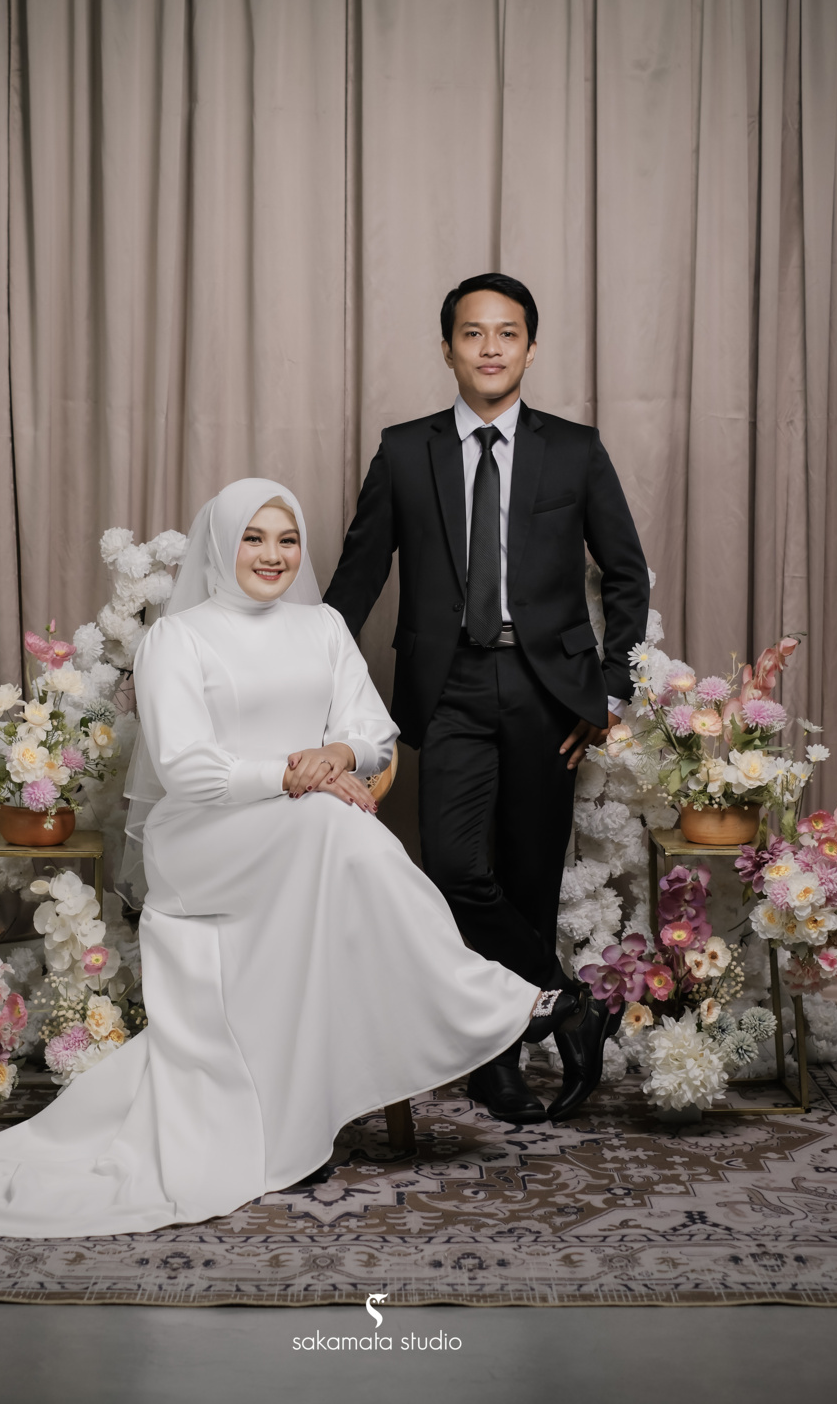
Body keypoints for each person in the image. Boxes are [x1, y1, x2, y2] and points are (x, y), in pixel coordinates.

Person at [0, 479, 578, 1238]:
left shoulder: (324, 626)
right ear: (221, 544)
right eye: (253, 538)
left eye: (287, 540)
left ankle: (402, 1058)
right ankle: (499, 1005)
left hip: (305, 829)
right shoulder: (179, 639)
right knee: (338, 827)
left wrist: (338, 753)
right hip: (205, 838)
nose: (273, 555)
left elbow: (374, 729)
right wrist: (293, 775)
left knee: (340, 831)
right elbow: (185, 768)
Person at [325, 275, 650, 1125]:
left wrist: (610, 691)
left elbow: (626, 573)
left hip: (550, 693)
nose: (491, 347)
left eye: (508, 332)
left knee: (529, 879)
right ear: (448, 349)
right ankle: (570, 1004)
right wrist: (306, 675)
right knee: (456, 871)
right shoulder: (405, 451)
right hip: (450, 688)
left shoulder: (574, 450)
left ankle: (496, 1067)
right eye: (473, 333)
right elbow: (356, 581)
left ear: (530, 349)